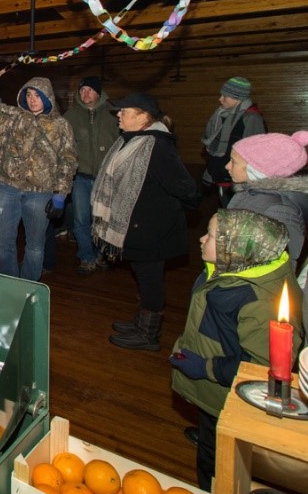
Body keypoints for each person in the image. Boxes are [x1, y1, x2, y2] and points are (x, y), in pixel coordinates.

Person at [170, 209, 303, 491]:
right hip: (216, 396)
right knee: (210, 445)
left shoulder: (261, 301)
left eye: (213, 236)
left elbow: (260, 371)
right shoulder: (232, 271)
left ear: (238, 248)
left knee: (219, 469)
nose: (202, 239)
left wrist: (204, 366)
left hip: (229, 398)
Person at [94, 92, 200, 351]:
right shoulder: (132, 140)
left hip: (152, 229)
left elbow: (188, 190)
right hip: (139, 227)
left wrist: (162, 211)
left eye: (124, 111)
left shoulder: (157, 146)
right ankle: (142, 322)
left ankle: (149, 334)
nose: (118, 115)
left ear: (144, 117)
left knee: (150, 278)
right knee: (143, 276)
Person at [0, 57, 77, 281]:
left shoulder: (61, 125)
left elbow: (68, 160)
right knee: (4, 244)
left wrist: (61, 194)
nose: (32, 99)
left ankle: (29, 284)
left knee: (35, 245)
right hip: (8, 189)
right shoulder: (11, 116)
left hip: (40, 193)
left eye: (37, 95)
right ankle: (9, 283)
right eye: (29, 95)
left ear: (47, 96)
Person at [63, 75, 119, 276]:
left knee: (102, 220)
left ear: (99, 93)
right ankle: (86, 256)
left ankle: (100, 254)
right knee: (81, 219)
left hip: (106, 177)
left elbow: (122, 143)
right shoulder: (70, 116)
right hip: (81, 177)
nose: (85, 93)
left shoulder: (113, 113)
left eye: (89, 90)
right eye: (82, 90)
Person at [226, 131, 308, 266]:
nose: (227, 166)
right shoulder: (246, 193)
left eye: (233, 162)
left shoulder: (278, 210)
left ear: (256, 169)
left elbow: (284, 263)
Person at [201, 76, 266, 207]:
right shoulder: (220, 115)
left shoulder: (251, 118)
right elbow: (213, 149)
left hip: (237, 182)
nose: (220, 99)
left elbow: (255, 154)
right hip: (221, 176)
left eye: (225, 96)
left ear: (237, 98)